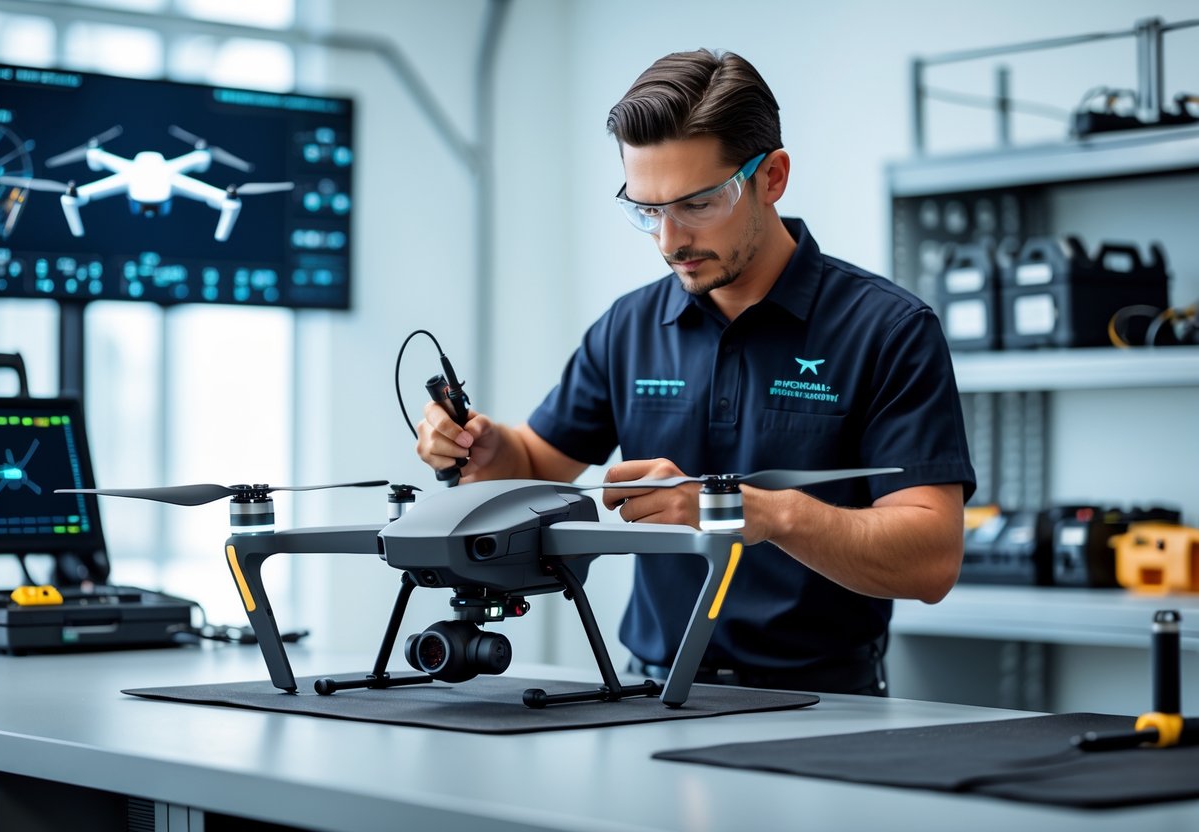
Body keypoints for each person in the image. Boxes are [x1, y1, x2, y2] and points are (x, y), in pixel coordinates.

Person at [417, 48, 976, 696]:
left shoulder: (887, 330)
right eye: (646, 208)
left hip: (821, 703)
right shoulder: (628, 327)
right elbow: (535, 467)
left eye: (697, 204)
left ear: (771, 177)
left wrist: (754, 512)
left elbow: (931, 561)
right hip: (644, 694)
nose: (668, 239)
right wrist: (482, 449)